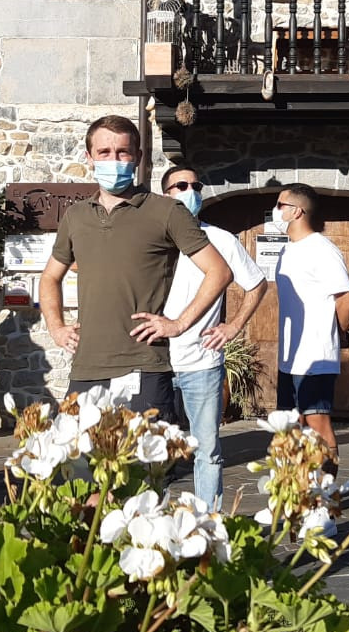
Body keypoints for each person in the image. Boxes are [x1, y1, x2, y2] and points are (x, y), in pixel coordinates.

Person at [40, 116, 230, 417]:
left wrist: (178, 324)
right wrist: (56, 328)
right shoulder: (75, 216)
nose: (113, 160)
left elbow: (219, 271)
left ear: (138, 157)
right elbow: (50, 277)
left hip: (145, 365)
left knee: (145, 462)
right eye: (104, 153)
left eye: (122, 152)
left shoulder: (167, 211)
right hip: (87, 366)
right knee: (81, 463)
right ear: (89, 158)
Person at [158, 165, 267, 507]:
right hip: (154, 361)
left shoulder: (220, 239)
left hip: (201, 361)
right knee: (151, 451)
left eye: (196, 185)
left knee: (207, 449)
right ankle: (150, 524)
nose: (190, 191)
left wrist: (233, 326)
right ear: (166, 194)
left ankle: (209, 520)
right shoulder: (151, 238)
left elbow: (256, 284)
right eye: (181, 185)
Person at [273, 183, 349, 461]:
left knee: (317, 423)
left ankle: (328, 492)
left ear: (297, 211)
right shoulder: (287, 250)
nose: (276, 211)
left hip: (316, 355)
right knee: (292, 428)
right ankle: (300, 490)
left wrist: (337, 334)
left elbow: (346, 299)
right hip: (289, 357)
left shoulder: (322, 248)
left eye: (280, 205)